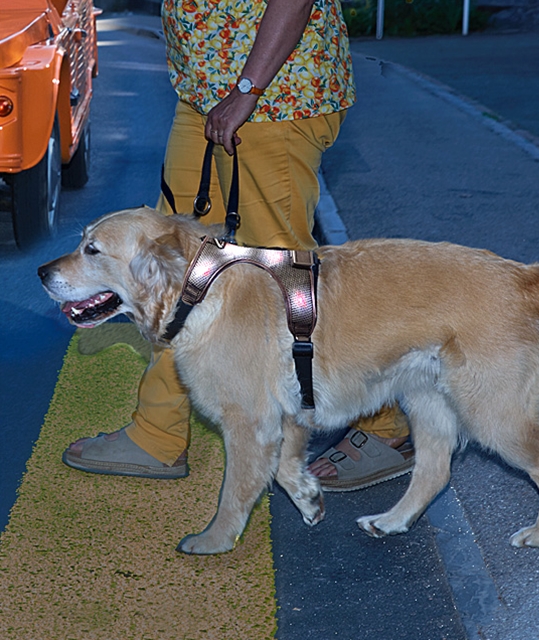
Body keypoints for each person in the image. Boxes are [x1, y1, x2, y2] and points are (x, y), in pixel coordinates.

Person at [63, 0, 414, 490]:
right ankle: (158, 432)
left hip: (271, 96)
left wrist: (248, 88)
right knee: (172, 267)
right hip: (207, 94)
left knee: (288, 282)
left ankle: (385, 422)